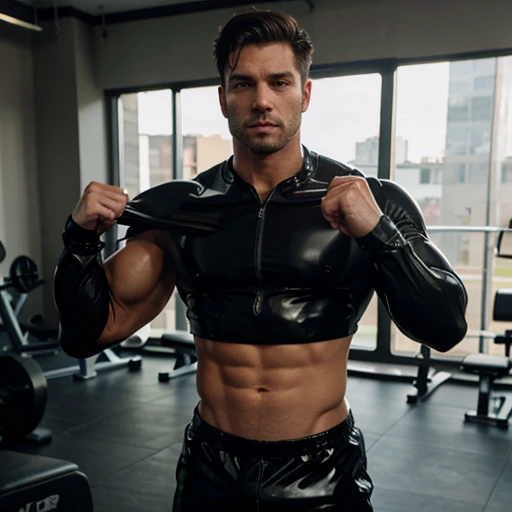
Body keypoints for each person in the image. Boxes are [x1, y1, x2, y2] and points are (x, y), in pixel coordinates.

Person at [53, 9, 468, 512]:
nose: (262, 100)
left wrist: (379, 232)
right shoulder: (180, 210)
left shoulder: (370, 201)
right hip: (212, 467)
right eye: (243, 84)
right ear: (224, 97)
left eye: (279, 82)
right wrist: (78, 241)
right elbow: (86, 333)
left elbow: (445, 326)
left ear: (305, 94)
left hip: (322, 471)